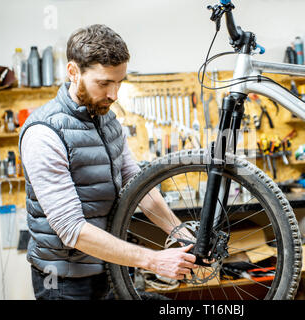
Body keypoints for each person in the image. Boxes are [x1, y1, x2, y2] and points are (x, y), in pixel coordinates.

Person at [19, 24, 196, 300]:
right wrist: (154, 260)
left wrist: (180, 232)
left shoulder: (108, 121)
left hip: (110, 271)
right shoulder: (44, 133)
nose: (114, 94)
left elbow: (138, 187)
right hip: (65, 284)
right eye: (104, 83)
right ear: (73, 72)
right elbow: (72, 230)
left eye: (119, 83)